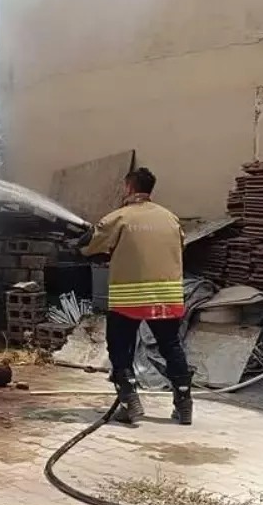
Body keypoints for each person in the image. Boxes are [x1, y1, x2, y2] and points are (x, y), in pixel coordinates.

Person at [77, 167, 193, 424]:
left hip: (130, 296)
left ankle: (130, 402)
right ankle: (184, 405)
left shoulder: (119, 218)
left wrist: (81, 239)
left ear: (129, 187)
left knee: (120, 348)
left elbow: (87, 245)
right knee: (171, 346)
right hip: (167, 295)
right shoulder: (171, 218)